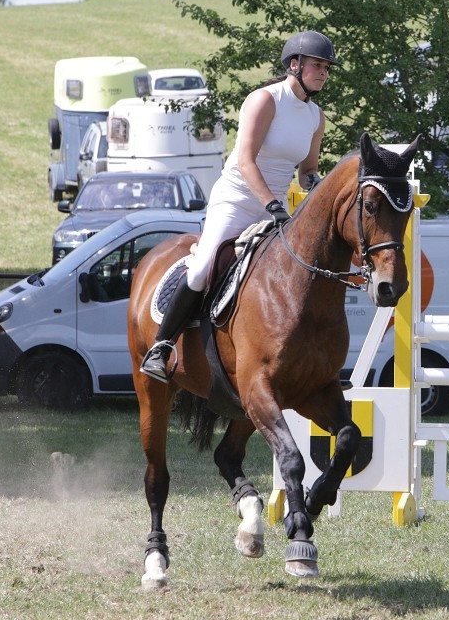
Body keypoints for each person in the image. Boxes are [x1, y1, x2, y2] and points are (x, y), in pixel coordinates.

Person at [140, 30, 337, 381]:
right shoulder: (265, 100)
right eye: (318, 65)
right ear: (295, 65)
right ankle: (162, 346)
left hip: (274, 207)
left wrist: (320, 187)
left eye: (326, 67)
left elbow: (307, 171)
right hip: (237, 198)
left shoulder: (315, 117)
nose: (324, 72)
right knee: (202, 270)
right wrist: (272, 203)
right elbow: (246, 161)